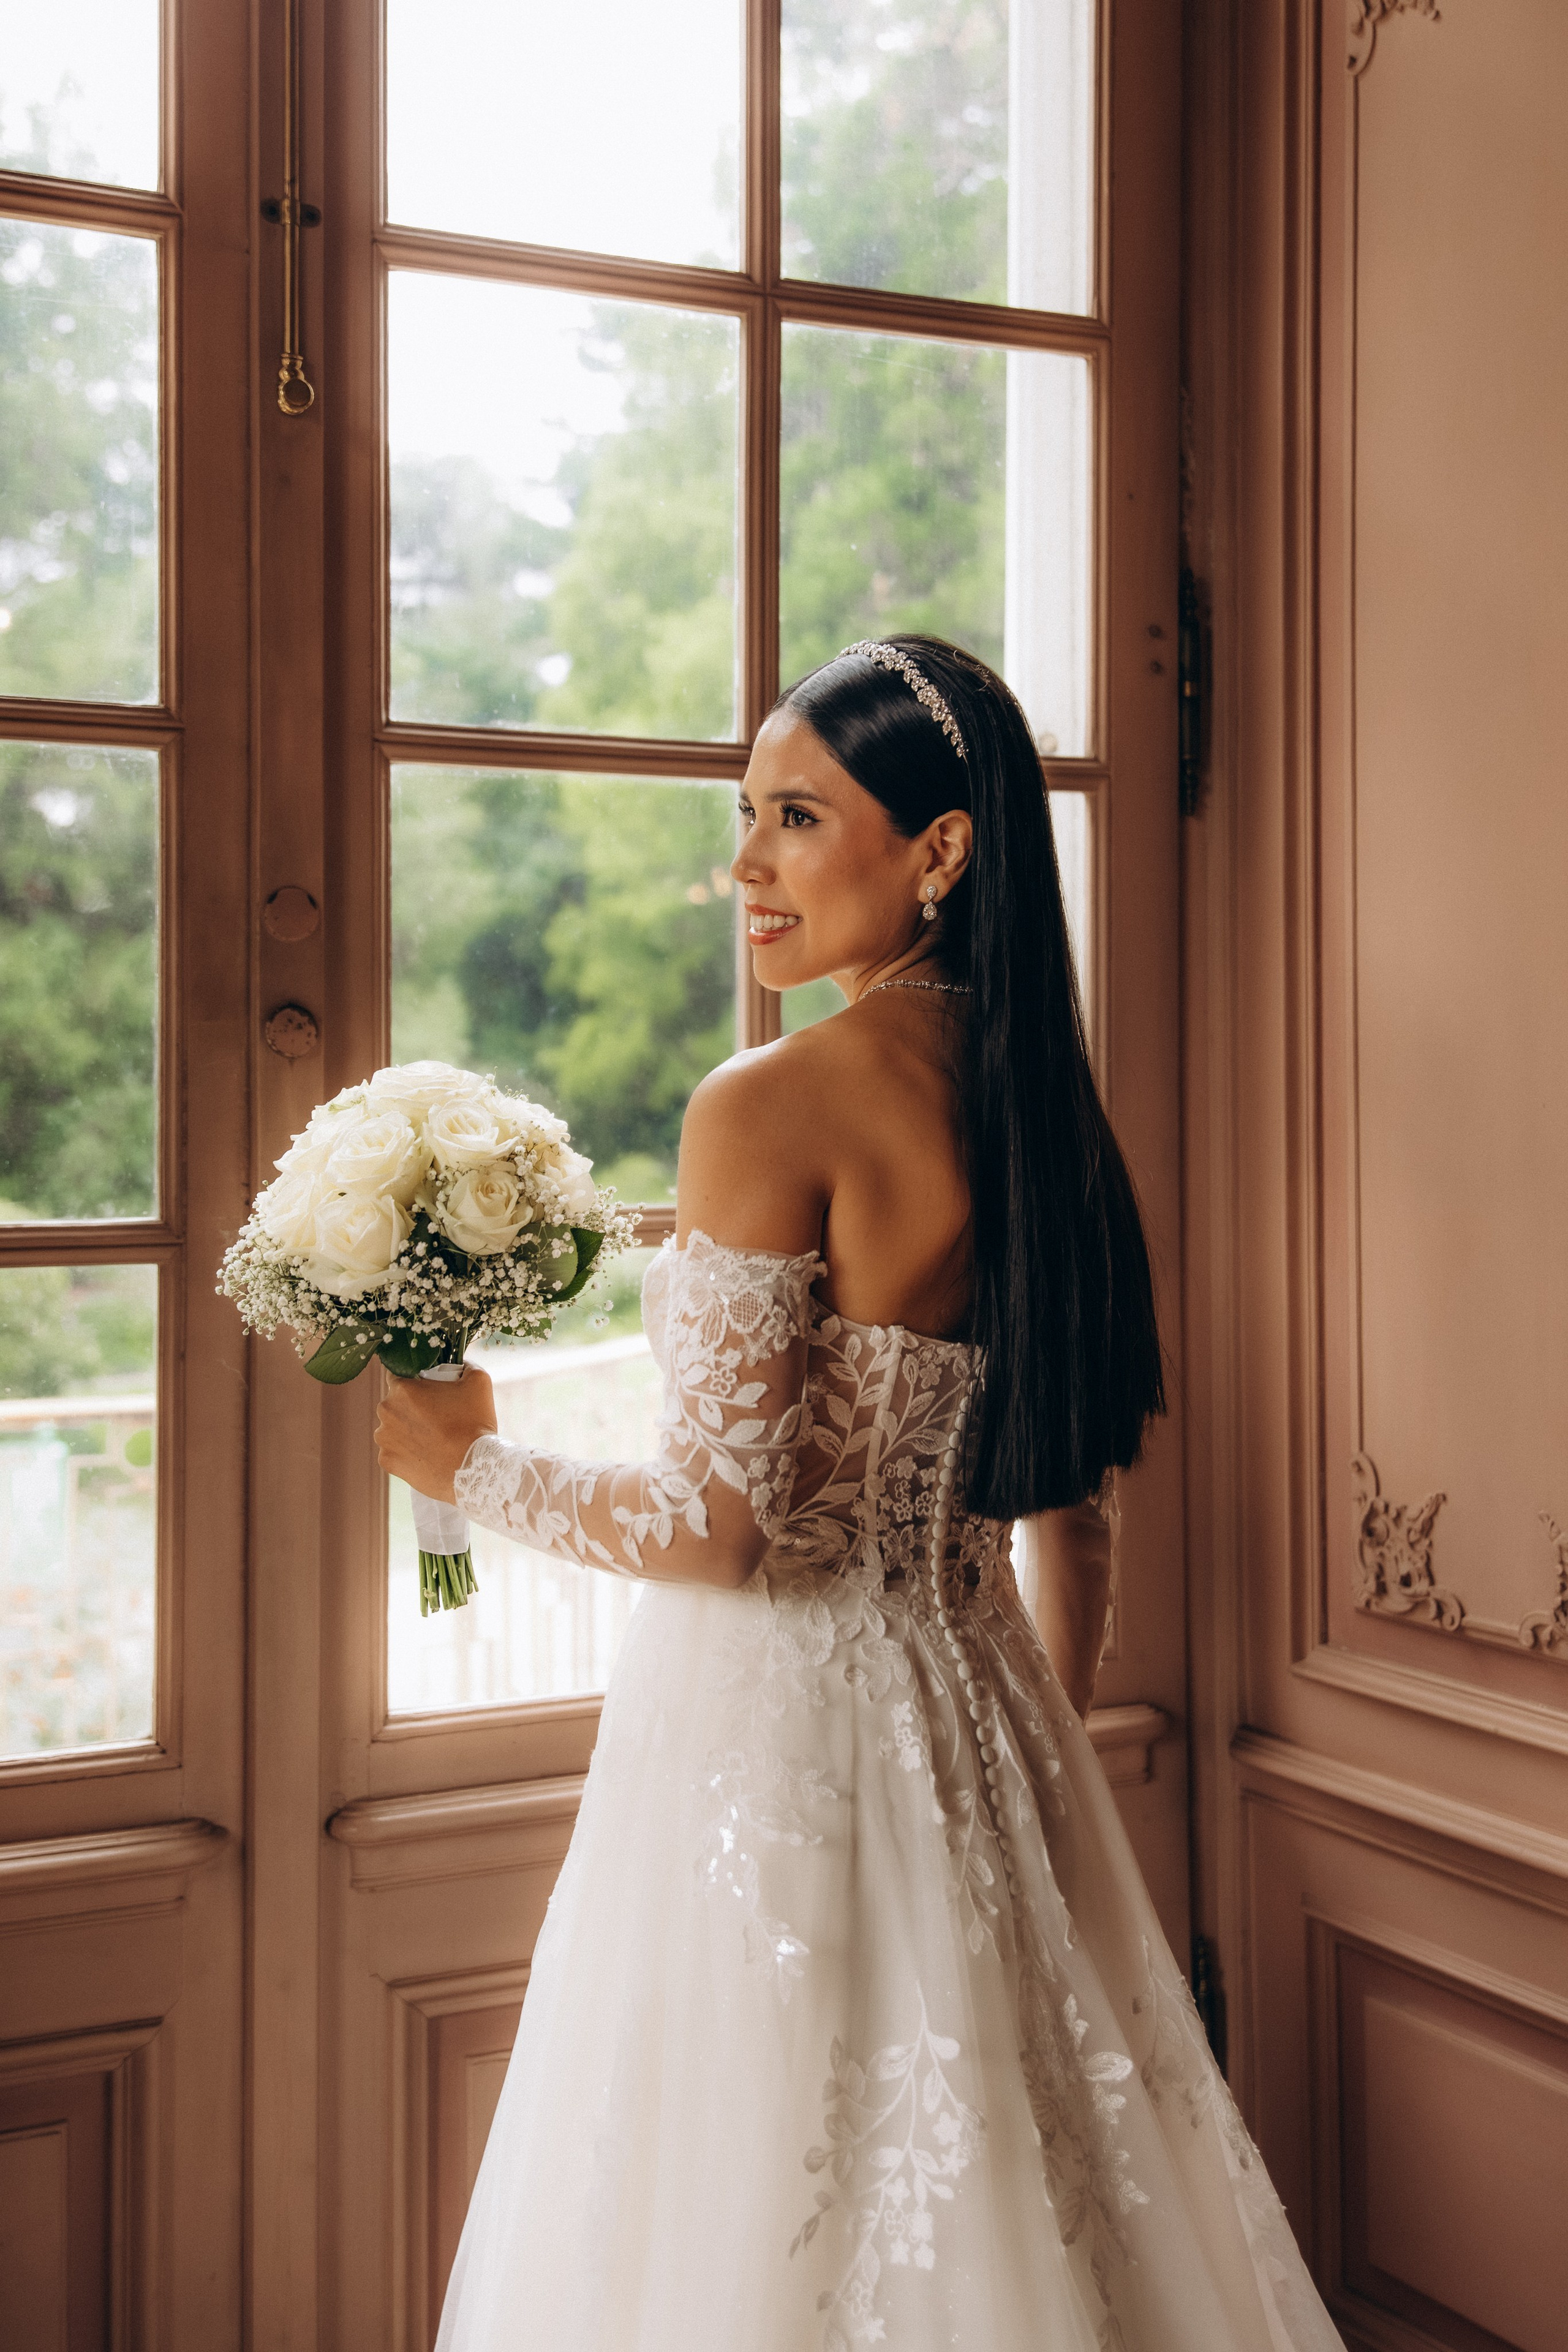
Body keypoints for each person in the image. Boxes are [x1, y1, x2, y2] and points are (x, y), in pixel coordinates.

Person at [377, 636, 1345, 2351]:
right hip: (978, 1711)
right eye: (742, 817)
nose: (742, 865)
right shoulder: (1048, 1110)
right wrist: (1019, 1750)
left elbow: (723, 1532)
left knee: (753, 2218)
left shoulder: (768, 1104)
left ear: (941, 851)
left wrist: (470, 1466)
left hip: (771, 1737)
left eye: (797, 819)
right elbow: (1075, 1501)